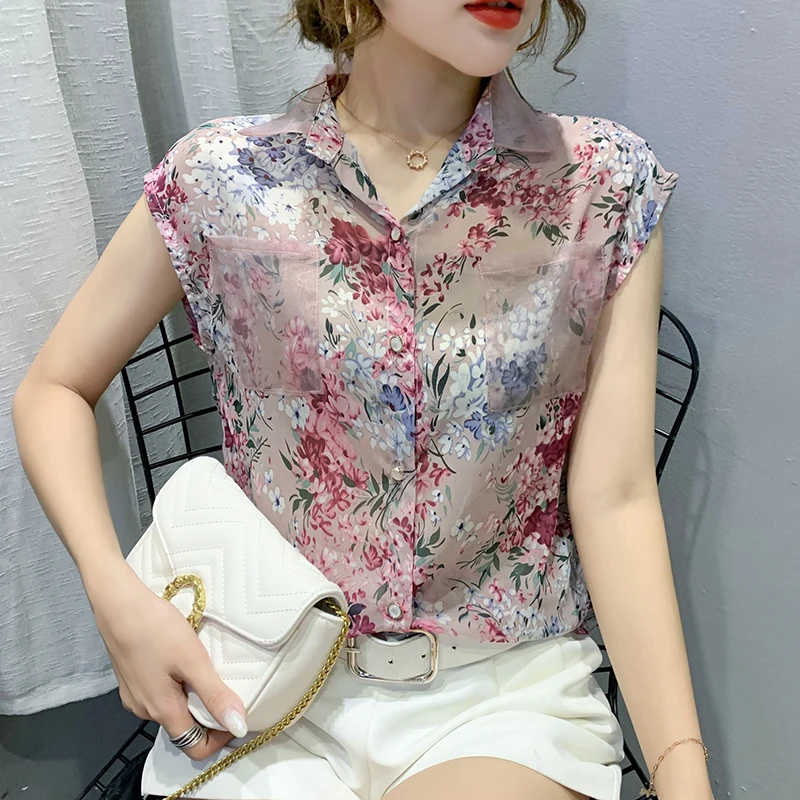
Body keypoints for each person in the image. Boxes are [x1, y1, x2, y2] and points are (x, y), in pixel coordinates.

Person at [12, 1, 714, 799]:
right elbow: (53, 388)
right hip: (259, 682)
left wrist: (682, 771)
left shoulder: (599, 185)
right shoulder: (224, 178)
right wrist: (115, 595)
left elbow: (615, 497)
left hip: (497, 696)